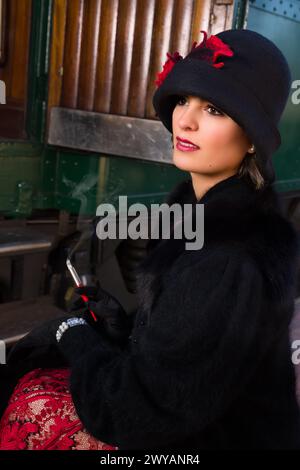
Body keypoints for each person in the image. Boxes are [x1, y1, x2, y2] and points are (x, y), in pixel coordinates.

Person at [0, 28, 300, 450]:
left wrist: (73, 332)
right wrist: (123, 326)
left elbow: (136, 413)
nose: (185, 120)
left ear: (251, 139)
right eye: (183, 100)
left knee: (34, 412)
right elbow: (189, 343)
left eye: (213, 108)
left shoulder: (229, 257)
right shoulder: (202, 218)